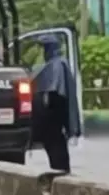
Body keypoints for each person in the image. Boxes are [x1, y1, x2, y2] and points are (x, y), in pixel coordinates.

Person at [31, 35, 81, 173]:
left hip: (55, 110)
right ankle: (60, 169)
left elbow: (55, 90)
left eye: (44, 48)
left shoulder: (57, 64)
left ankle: (61, 171)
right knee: (54, 143)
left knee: (55, 143)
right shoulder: (54, 64)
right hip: (53, 112)